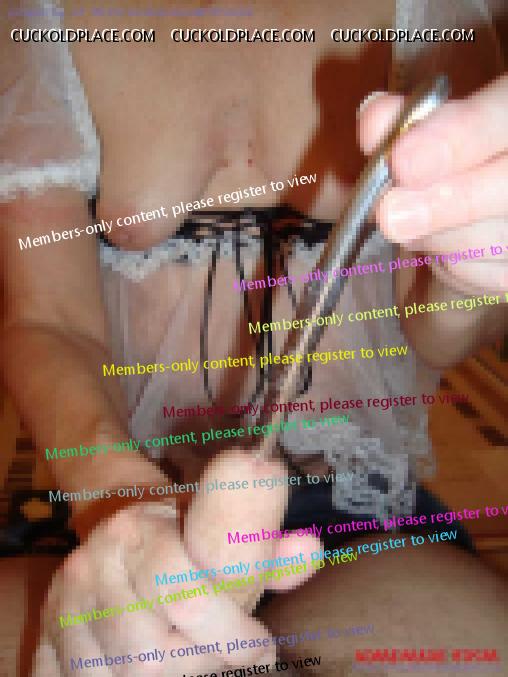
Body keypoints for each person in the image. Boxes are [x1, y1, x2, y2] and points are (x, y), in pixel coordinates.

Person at [0, 0, 507, 675]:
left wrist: (470, 274)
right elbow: (49, 319)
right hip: (124, 495)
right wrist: (119, 500)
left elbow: (440, 333)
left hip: (350, 506)